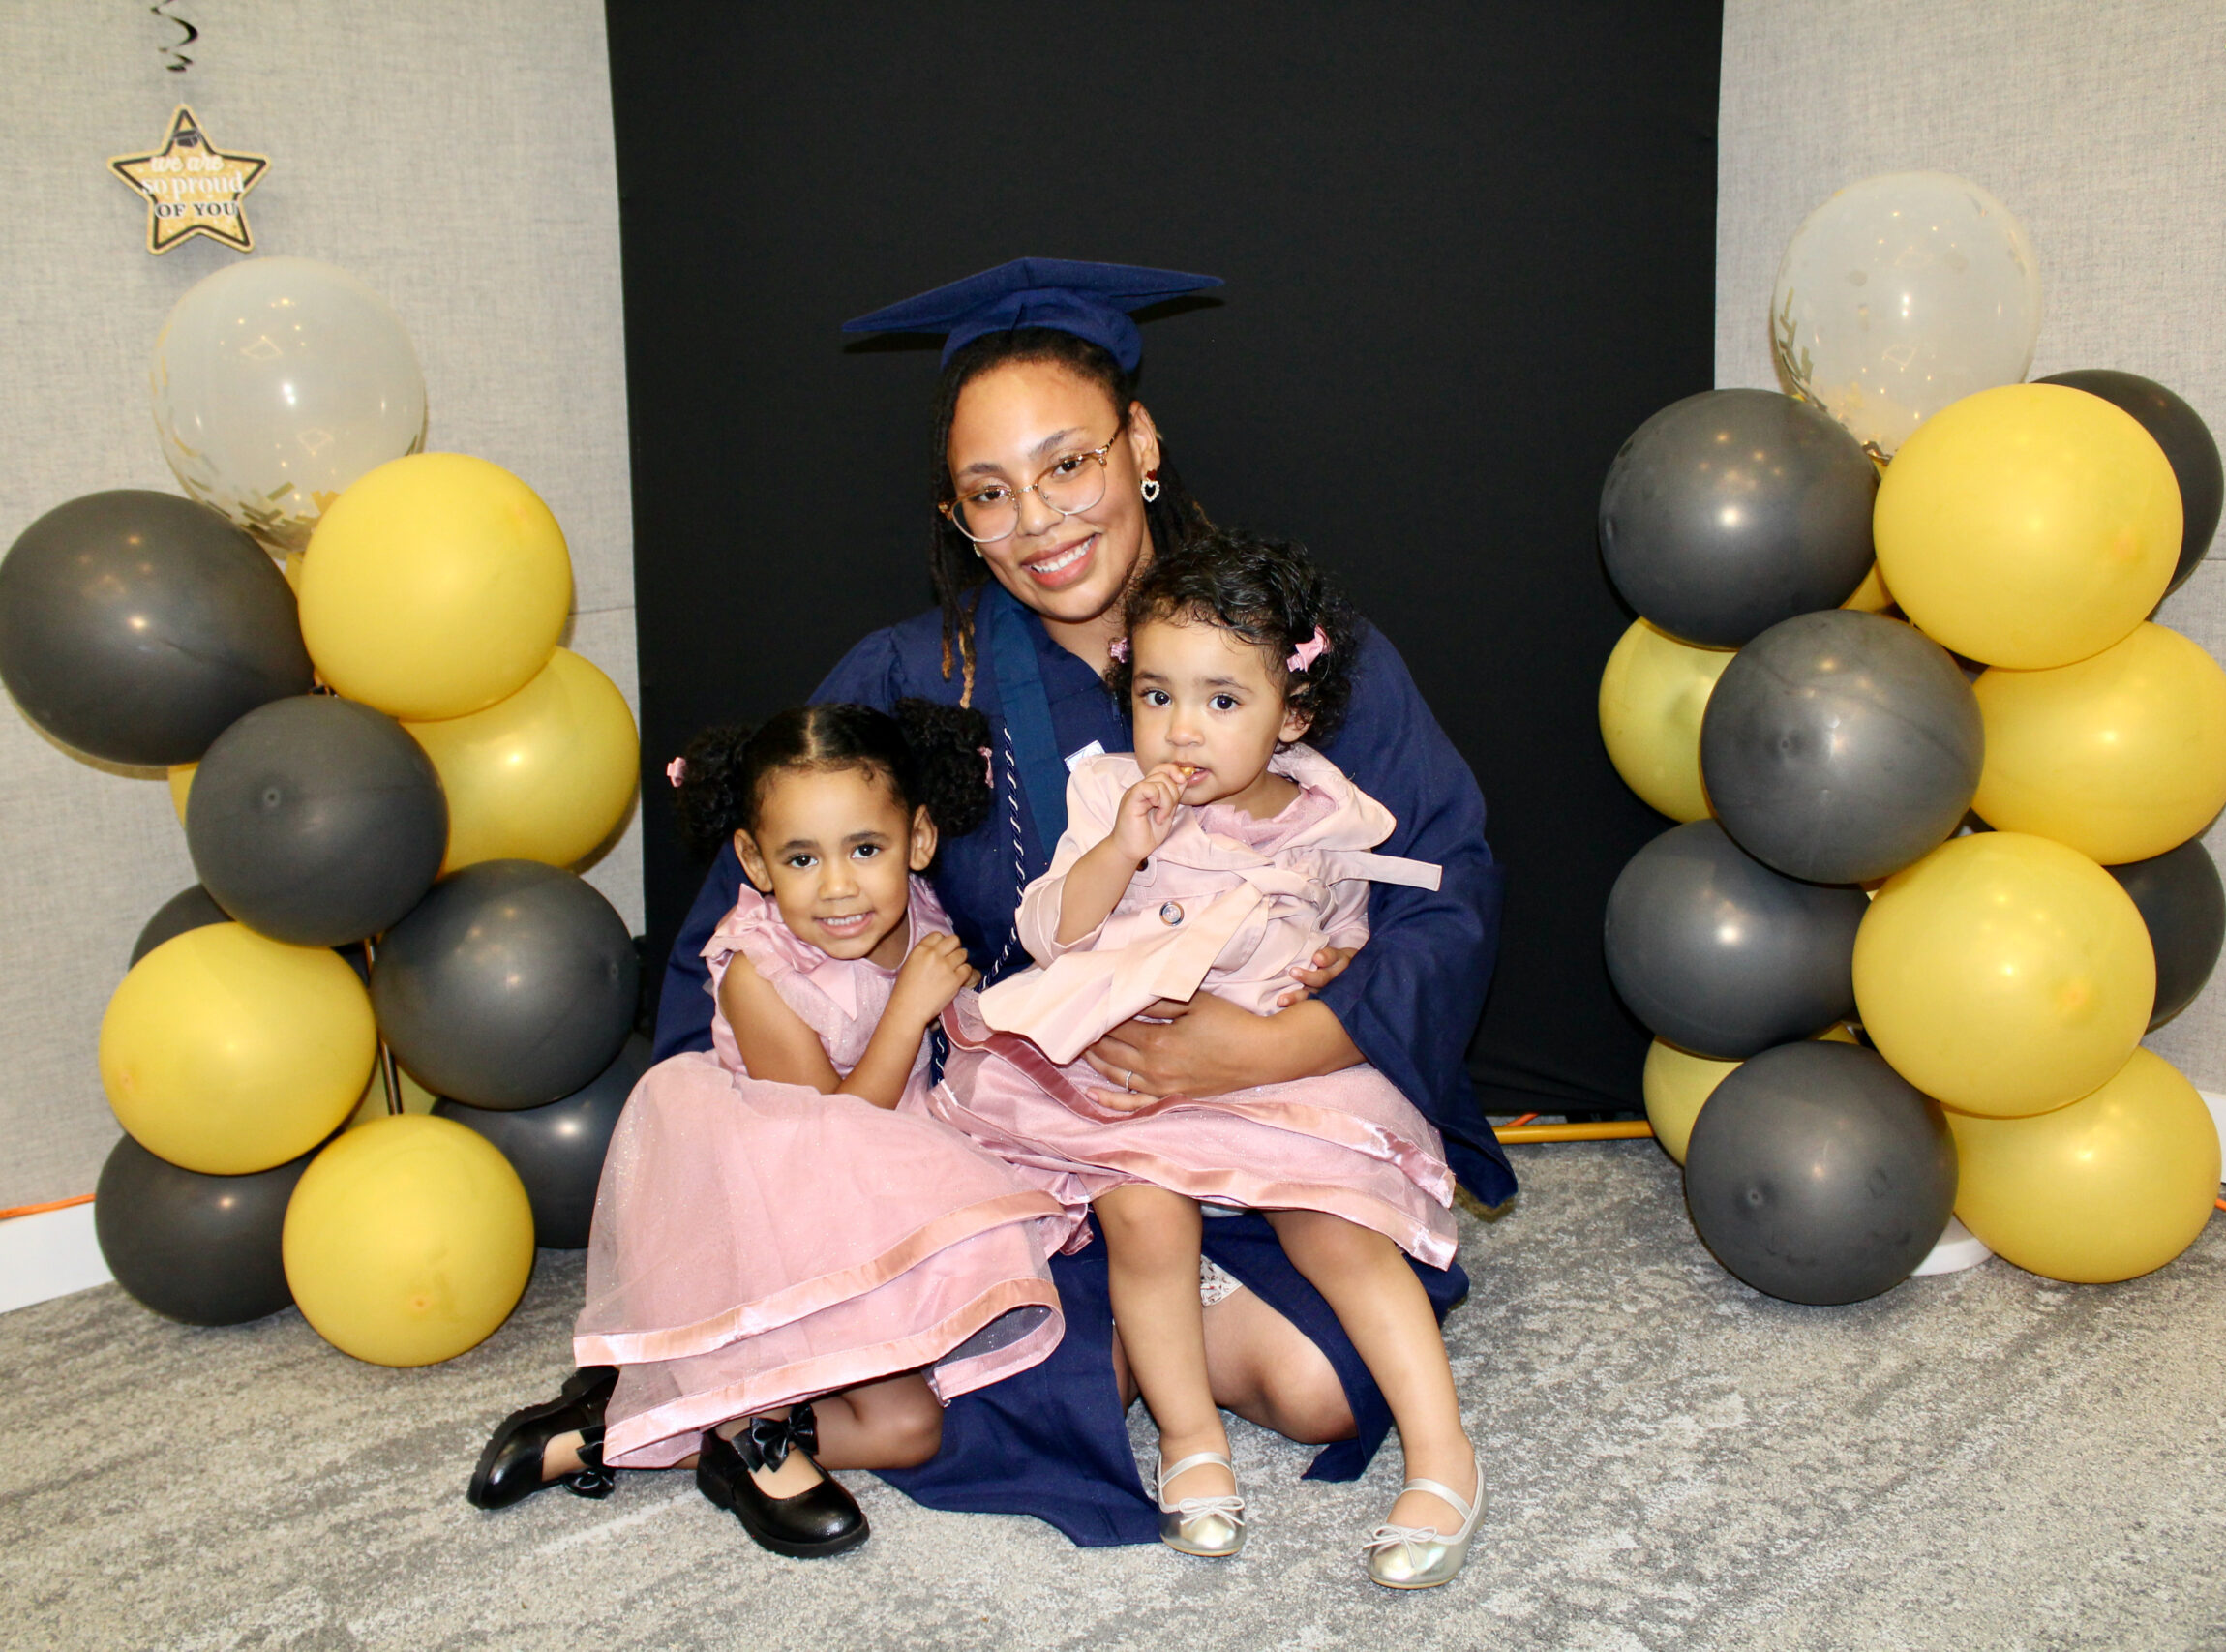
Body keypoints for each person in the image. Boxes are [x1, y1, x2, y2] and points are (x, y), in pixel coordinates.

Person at [479, 258, 1514, 1549]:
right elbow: (750, 934)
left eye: (1068, 464)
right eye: (990, 491)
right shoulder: (916, 676)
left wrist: (1271, 1043)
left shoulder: (1286, 649)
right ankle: (791, 1372)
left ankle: (934, 1360)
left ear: (1139, 445)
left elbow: (1447, 881)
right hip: (1027, 1144)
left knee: (1320, 1388)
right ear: (958, 513)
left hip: (1277, 1108)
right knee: (1063, 1341)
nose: (1038, 521)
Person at [936, 529, 1484, 1586]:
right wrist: (1119, 851)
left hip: (1274, 1077)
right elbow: (1050, 931)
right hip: (1132, 1075)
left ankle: (1443, 1451)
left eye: (1223, 702)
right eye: (1155, 696)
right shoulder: (1107, 796)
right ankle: (1191, 1444)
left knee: (1338, 1223)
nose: (1183, 730)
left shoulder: (1331, 810)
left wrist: (1335, 962)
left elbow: (1355, 923)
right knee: (1143, 1213)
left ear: (1295, 713)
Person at [469, 701, 1080, 1560]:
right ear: (755, 861)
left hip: (872, 1200)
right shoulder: (760, 971)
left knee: (915, 1422)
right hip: (773, 1219)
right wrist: (907, 1013)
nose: (839, 887)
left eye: (866, 849)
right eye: (802, 857)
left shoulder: (916, 910)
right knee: (905, 1424)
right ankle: (661, 1423)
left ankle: (682, 1428)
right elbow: (830, 1136)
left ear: (919, 839)